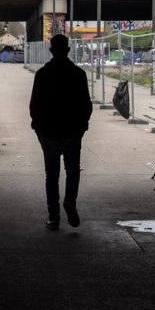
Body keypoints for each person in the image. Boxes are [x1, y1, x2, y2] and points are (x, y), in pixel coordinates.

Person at [29, 34, 93, 230]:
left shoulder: (42, 75)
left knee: (52, 175)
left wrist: (38, 129)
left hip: (49, 133)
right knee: (73, 171)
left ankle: (53, 216)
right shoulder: (78, 74)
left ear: (51, 51)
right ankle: (70, 200)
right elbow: (86, 105)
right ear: (68, 50)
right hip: (72, 132)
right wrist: (82, 127)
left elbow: (34, 107)